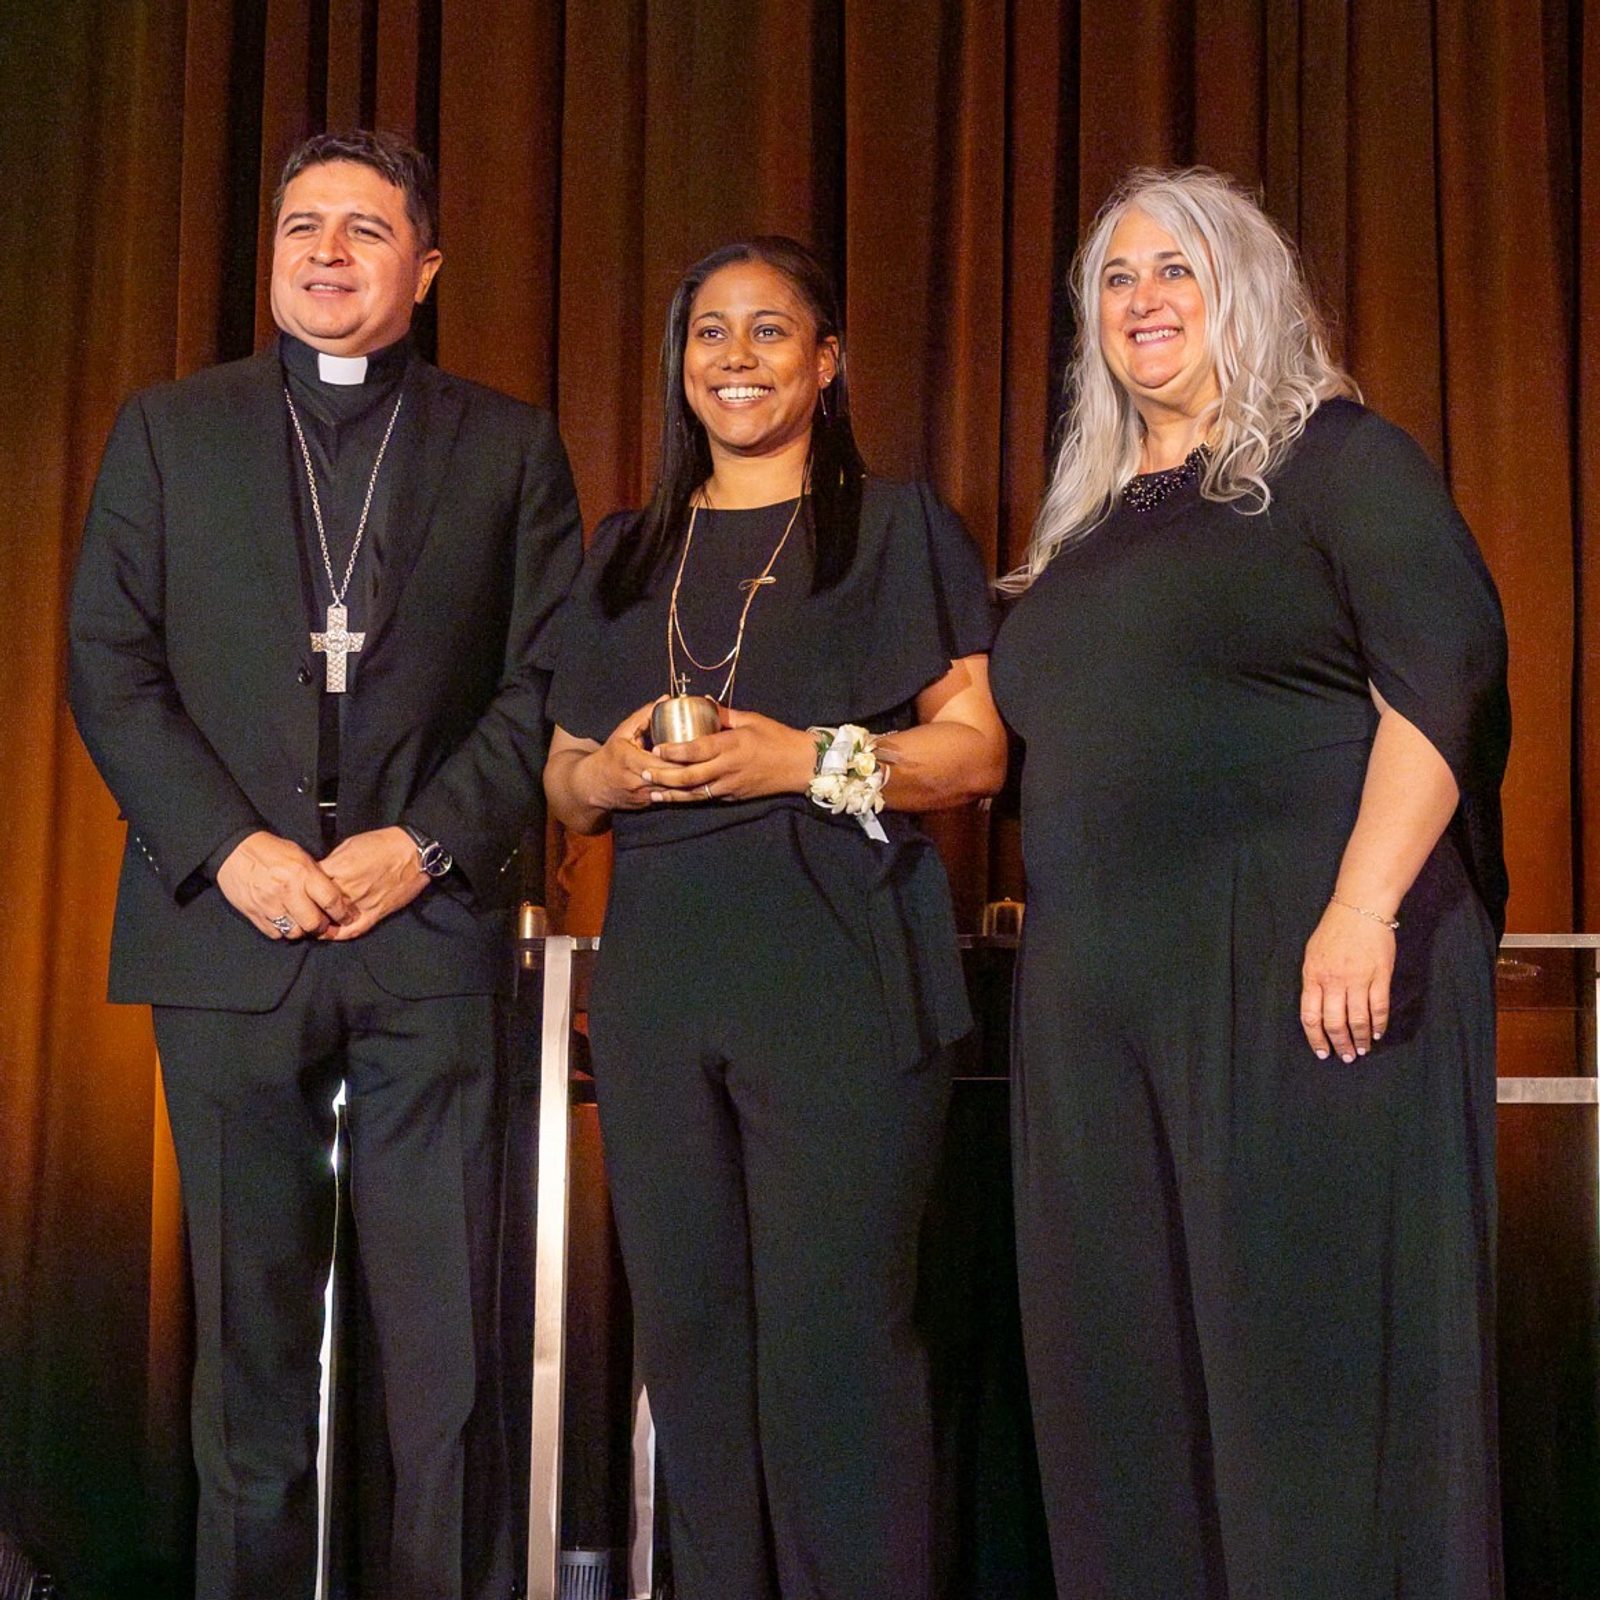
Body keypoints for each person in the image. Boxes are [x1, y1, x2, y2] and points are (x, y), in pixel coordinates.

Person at [68, 130, 582, 1600]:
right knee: (248, 1363)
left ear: (425, 267)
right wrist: (231, 850)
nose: (330, 252)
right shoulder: (172, 429)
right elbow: (110, 665)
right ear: (271, 254)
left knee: (451, 1371)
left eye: (367, 229)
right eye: (303, 225)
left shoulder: (505, 444)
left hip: (426, 937)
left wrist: (422, 845)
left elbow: (542, 679)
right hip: (232, 935)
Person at [990, 167, 1510, 1599]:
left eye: (1180, 270)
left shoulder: (1338, 461)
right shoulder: (1088, 524)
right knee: (1127, 1386)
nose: (1144, 300)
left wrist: (1364, 906)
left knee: (1306, 1376)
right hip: (1103, 1001)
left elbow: (1443, 680)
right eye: (1117, 276)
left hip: (1300, 971)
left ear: (1249, 295)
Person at [543, 236, 1006, 1599]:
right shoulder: (628, 551)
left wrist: (807, 758)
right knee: (689, 1341)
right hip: (665, 983)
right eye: (709, 334)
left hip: (840, 969)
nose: (735, 358)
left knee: (836, 1349)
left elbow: (974, 752)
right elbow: (563, 782)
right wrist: (615, 769)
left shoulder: (898, 528)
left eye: (769, 331)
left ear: (827, 362)